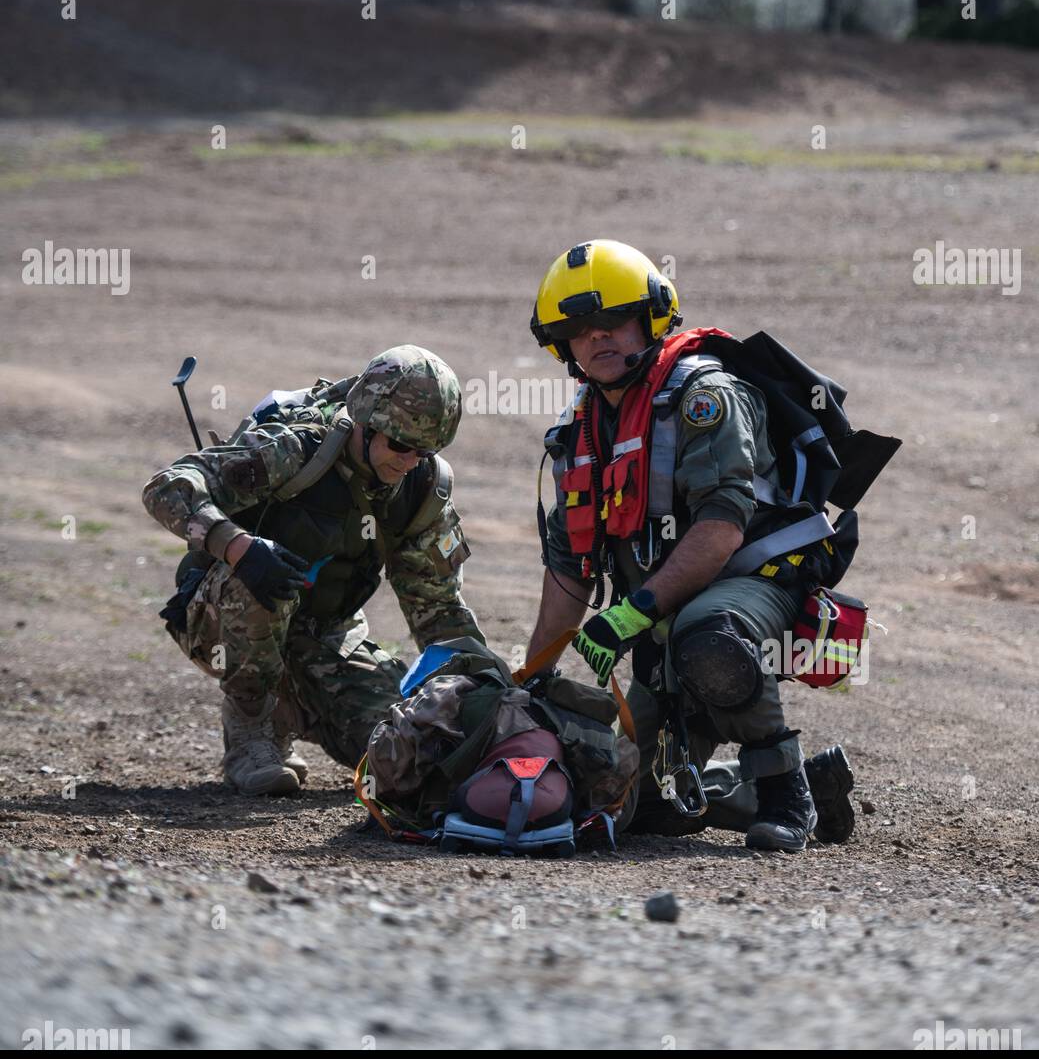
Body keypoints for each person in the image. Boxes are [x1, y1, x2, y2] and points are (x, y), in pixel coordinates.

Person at [526, 240, 856, 852]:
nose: (598, 338)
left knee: (706, 635)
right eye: (578, 329)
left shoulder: (705, 397)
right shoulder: (577, 432)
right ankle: (800, 787)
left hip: (753, 590)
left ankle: (786, 790)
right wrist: (530, 682)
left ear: (651, 317)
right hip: (661, 623)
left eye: (614, 320)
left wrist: (628, 614)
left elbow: (722, 529)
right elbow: (569, 571)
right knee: (626, 804)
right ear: (561, 345)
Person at [143, 345, 483, 796]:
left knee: (406, 746)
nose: (407, 462)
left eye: (424, 451)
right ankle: (252, 728)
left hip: (329, 632)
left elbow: (438, 609)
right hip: (224, 613)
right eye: (399, 445)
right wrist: (237, 545)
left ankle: (293, 705)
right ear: (364, 423)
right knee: (262, 579)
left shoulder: (419, 488)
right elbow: (166, 487)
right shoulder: (297, 449)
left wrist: (485, 692)